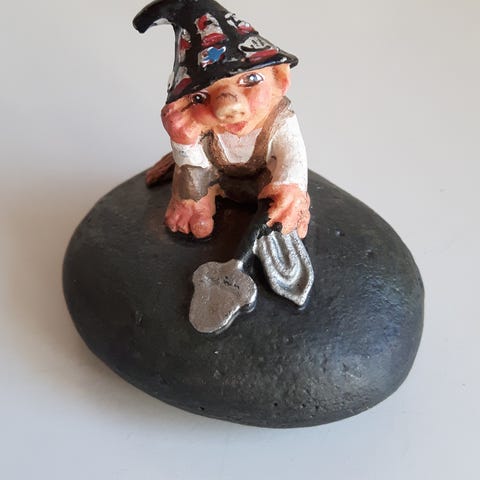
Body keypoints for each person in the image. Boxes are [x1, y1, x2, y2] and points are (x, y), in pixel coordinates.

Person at [134, 0, 311, 239]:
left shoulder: (281, 120)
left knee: (281, 204)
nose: (227, 109)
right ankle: (194, 204)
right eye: (199, 97)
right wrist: (184, 144)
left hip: (263, 178)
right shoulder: (198, 125)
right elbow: (195, 164)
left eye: (250, 80)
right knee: (192, 188)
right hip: (214, 177)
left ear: (280, 77)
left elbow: (292, 157)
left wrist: (289, 186)